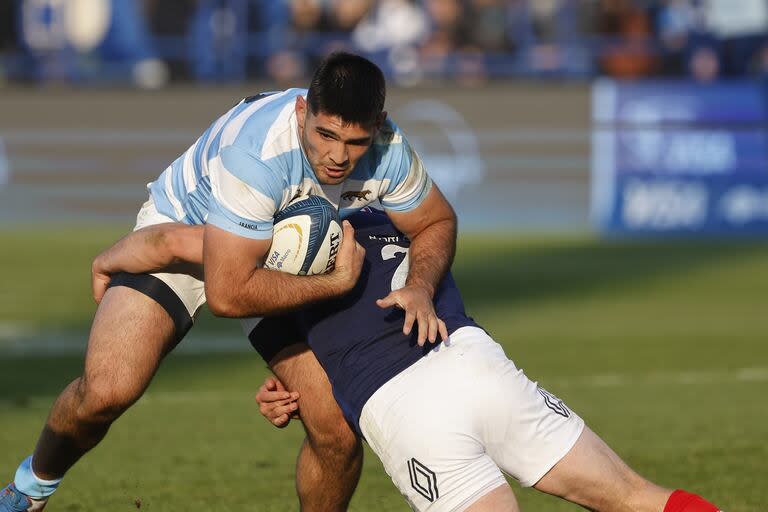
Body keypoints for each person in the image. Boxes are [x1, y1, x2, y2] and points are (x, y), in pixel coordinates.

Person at [1, 52, 456, 512]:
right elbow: (228, 291)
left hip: (285, 250)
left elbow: (436, 222)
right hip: (193, 231)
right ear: (303, 112)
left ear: (377, 126)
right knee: (106, 391)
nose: (338, 156)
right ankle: (28, 490)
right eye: (325, 135)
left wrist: (419, 286)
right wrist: (335, 287)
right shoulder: (258, 151)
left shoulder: (389, 149)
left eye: (355, 141)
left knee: (336, 429)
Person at [80, 206, 723, 512]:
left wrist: (108, 259)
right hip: (473, 361)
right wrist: (286, 384)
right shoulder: (398, 212)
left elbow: (164, 241)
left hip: (407, 408)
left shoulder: (266, 243)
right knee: (635, 496)